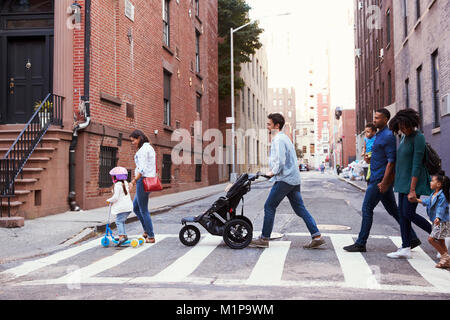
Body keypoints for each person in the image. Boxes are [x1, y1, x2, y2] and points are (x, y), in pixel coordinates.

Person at [344, 108, 421, 253]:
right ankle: (412, 238)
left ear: (385, 119)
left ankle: (361, 243)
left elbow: (391, 162)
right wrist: (370, 158)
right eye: (374, 117)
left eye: (378, 118)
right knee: (393, 210)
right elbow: (382, 157)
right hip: (378, 178)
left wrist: (385, 182)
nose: (374, 120)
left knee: (367, 208)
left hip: (379, 180)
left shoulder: (387, 136)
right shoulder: (379, 135)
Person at [250, 113, 325, 249]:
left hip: (285, 179)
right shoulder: (285, 138)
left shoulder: (278, 139)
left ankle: (264, 238)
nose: (267, 126)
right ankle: (316, 236)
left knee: (269, 206)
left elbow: (280, 161)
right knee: (299, 209)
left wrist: (272, 173)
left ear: (276, 125)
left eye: (269, 124)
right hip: (294, 179)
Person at [386, 109, 433, 259]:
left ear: (412, 123)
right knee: (402, 214)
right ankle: (405, 246)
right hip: (402, 182)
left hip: (414, 182)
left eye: (406, 127)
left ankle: (438, 235)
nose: (404, 130)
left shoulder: (418, 137)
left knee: (409, 213)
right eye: (401, 127)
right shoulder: (404, 138)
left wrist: (412, 189)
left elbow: (416, 164)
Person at [415, 173, 450, 268]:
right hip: (437, 221)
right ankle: (446, 262)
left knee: (431, 239)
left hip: (441, 221)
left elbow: (441, 208)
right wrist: (417, 200)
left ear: (439, 184)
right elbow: (427, 202)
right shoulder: (433, 194)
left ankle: (445, 257)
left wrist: (438, 217)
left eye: (433, 180)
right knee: (441, 241)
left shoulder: (442, 196)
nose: (430, 182)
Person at [129, 130, 157, 243]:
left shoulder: (143, 150)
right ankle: (146, 230)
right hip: (146, 180)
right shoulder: (148, 148)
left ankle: (151, 236)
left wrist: (133, 181)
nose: (133, 143)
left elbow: (142, 169)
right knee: (136, 207)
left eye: (134, 140)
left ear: (139, 138)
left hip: (143, 180)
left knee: (143, 209)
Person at [106, 167, 133, 246]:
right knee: (121, 221)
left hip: (123, 208)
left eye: (113, 176)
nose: (112, 178)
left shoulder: (118, 184)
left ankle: (121, 236)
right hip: (128, 207)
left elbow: (116, 197)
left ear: (116, 177)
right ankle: (123, 235)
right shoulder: (125, 183)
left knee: (118, 221)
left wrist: (109, 200)